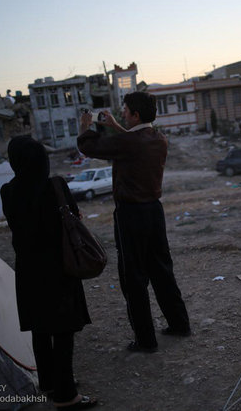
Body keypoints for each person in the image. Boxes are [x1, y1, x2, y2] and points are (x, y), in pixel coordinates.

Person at [77, 92, 191, 353]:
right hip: (154, 212)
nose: (124, 114)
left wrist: (85, 126)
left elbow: (90, 147)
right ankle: (179, 323)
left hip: (131, 215)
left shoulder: (128, 143)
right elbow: (131, 139)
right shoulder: (159, 139)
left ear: (136, 115)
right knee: (162, 271)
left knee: (134, 278)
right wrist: (116, 125)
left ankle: (145, 340)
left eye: (126, 111)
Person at [0, 136, 97, 410]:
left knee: (41, 328)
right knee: (63, 330)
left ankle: (50, 383)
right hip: (59, 268)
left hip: (29, 271)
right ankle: (67, 397)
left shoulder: (7, 191)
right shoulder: (55, 186)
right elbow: (74, 218)